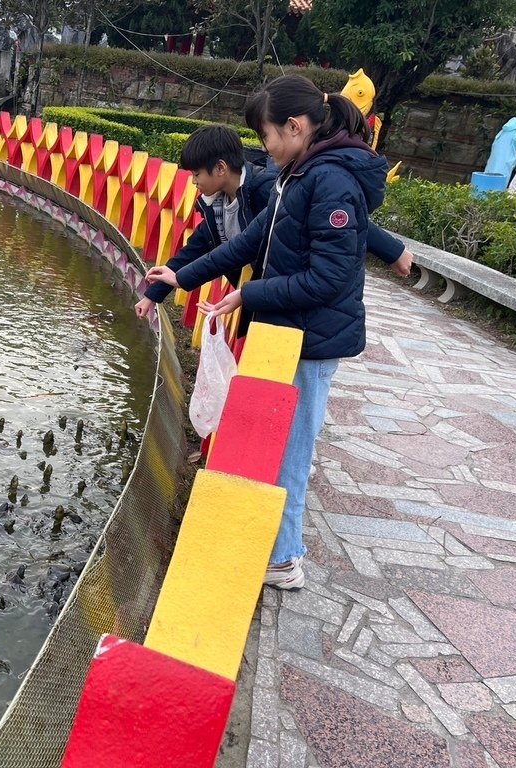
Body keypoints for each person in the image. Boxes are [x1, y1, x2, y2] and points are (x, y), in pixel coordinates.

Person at [145, 75, 390, 590]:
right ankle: (274, 545)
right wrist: (179, 278)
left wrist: (250, 295)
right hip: (287, 332)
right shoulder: (297, 176)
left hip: (311, 338)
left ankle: (284, 557)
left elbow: (328, 278)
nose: (265, 148)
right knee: (276, 441)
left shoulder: (331, 181)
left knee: (294, 448)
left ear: (296, 127)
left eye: (268, 136)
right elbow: (246, 244)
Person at [134, 126, 413, 319]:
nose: (194, 182)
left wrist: (394, 252)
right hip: (258, 292)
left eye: (197, 175)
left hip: (284, 291)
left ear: (220, 168)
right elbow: (195, 250)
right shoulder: (217, 203)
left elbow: (346, 218)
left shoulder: (267, 190)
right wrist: (153, 295)